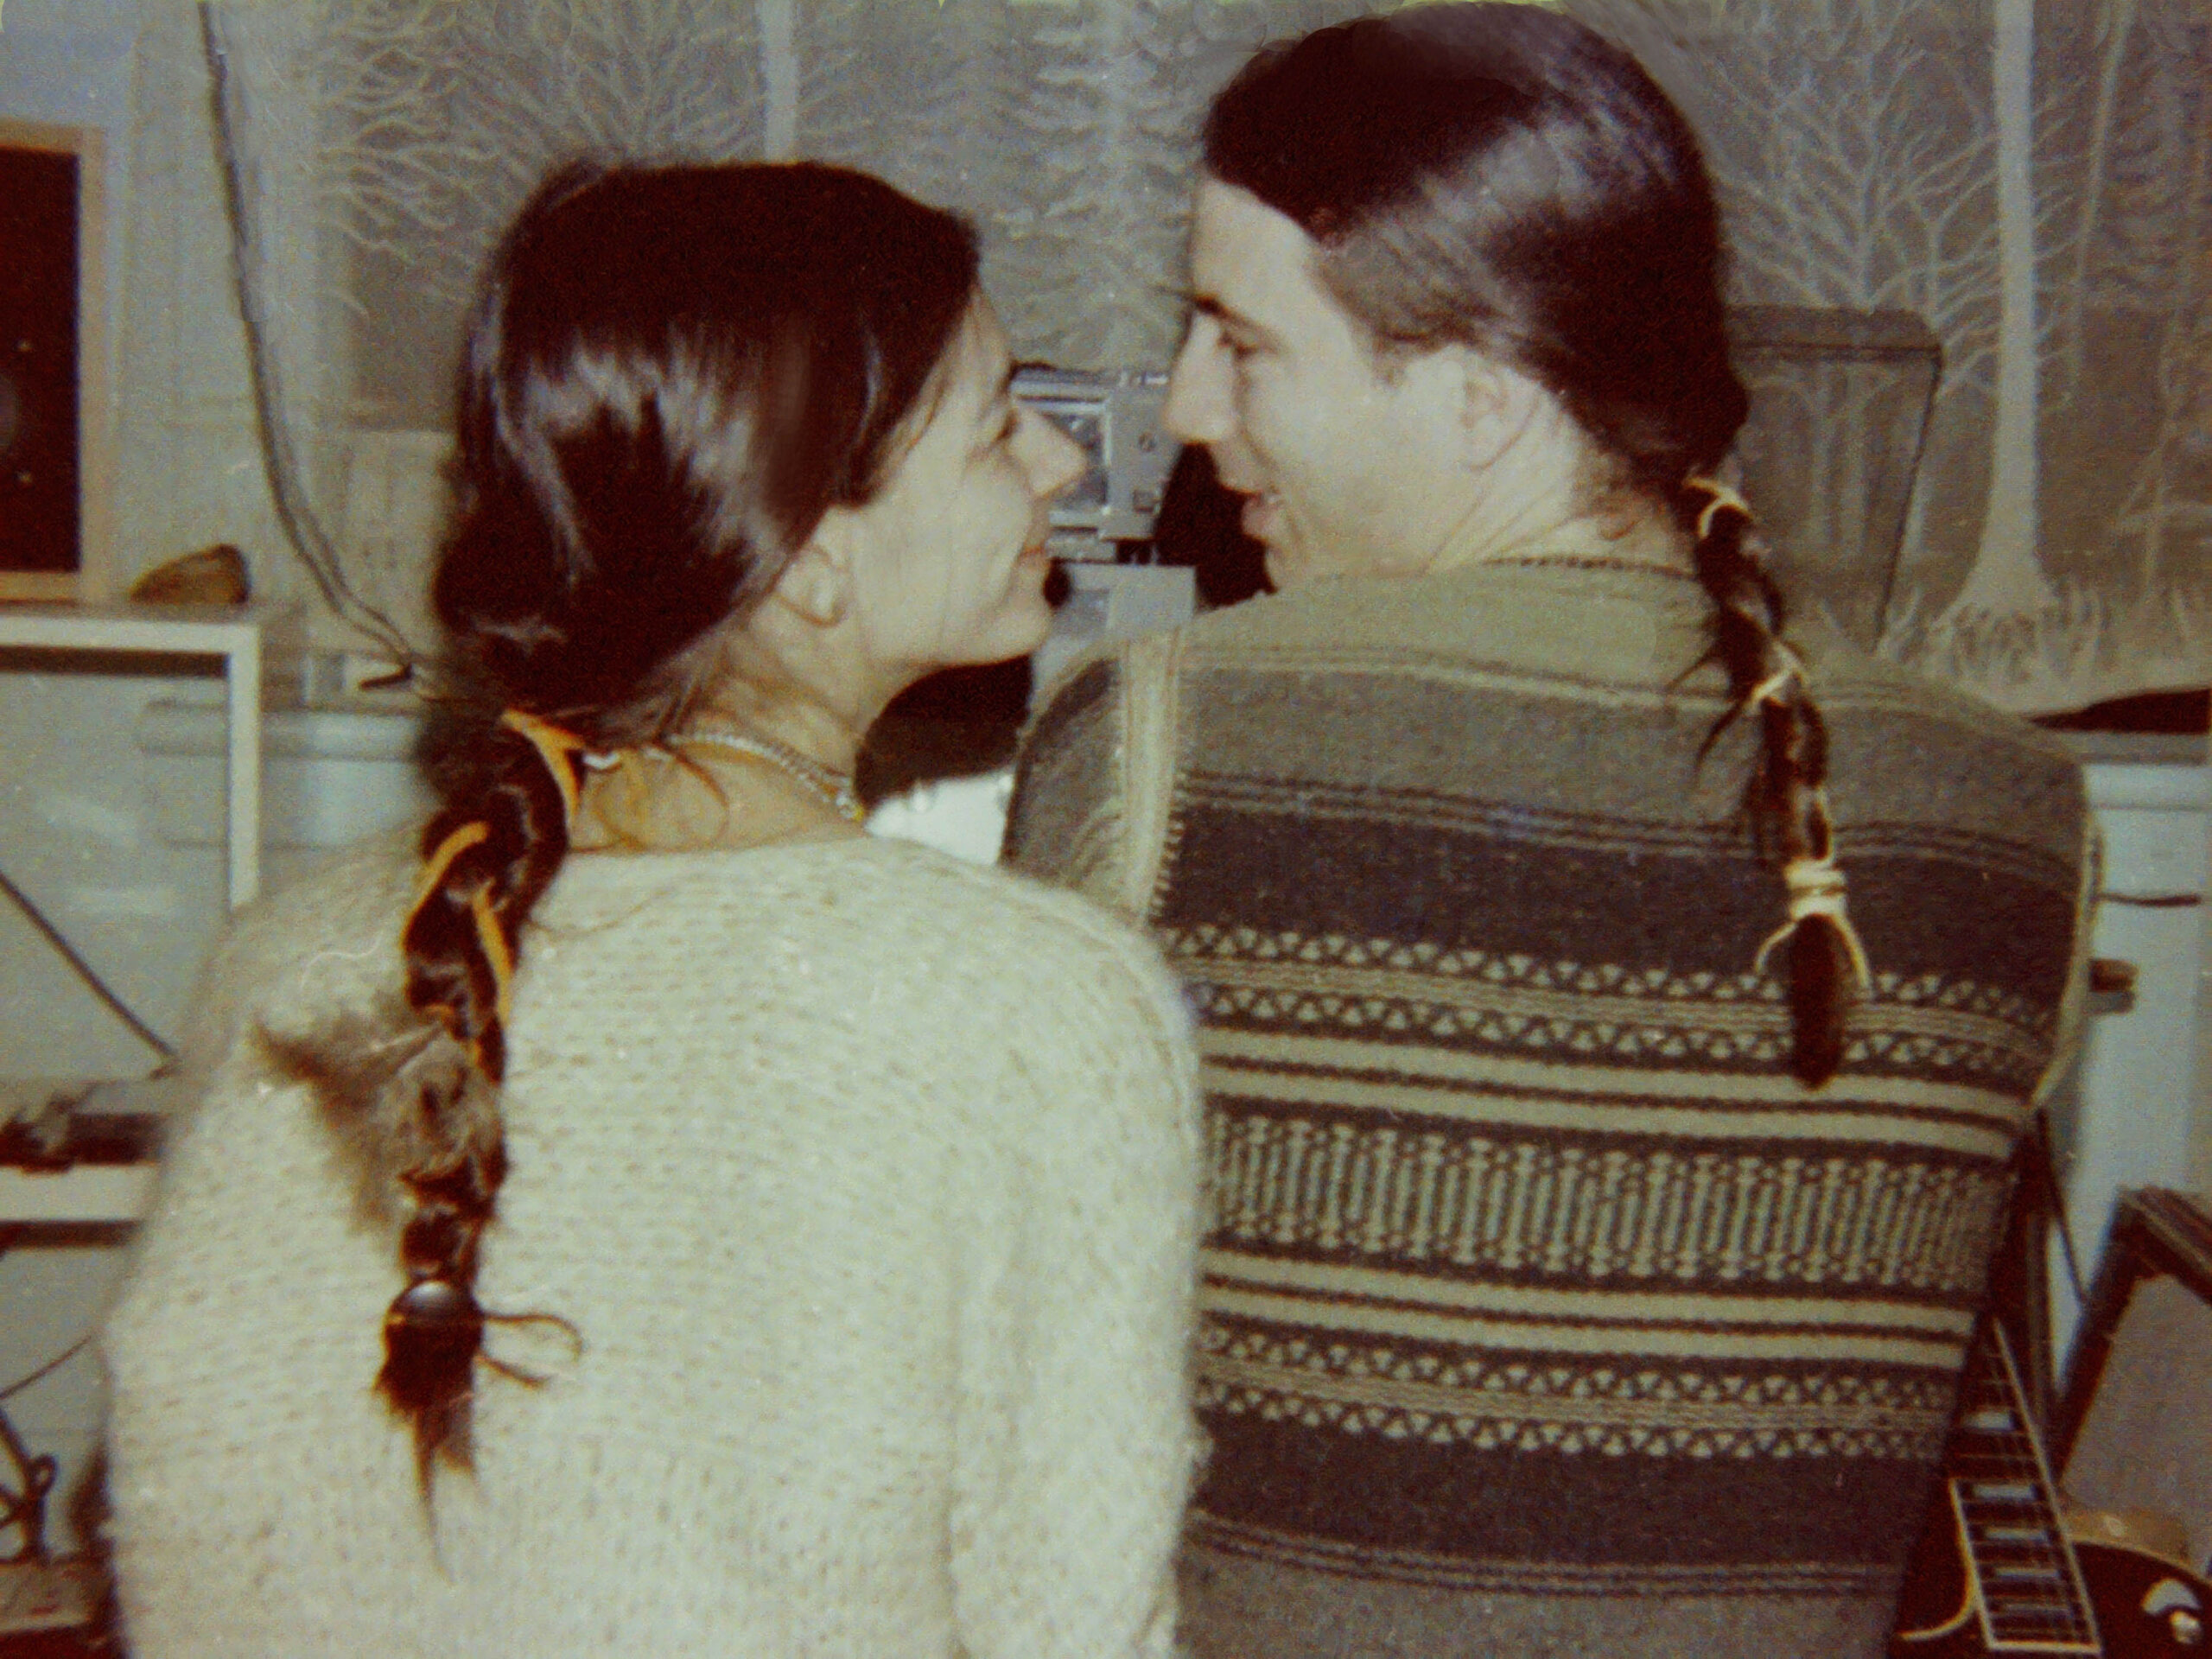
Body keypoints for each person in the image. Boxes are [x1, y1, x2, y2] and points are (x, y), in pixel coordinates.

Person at [1003, 9, 2094, 1656]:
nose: (1190, 408)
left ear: (1480, 397)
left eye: (1242, 338)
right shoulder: (2022, 814)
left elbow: (1020, 1371)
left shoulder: (1157, 728)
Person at [101, 161, 1203, 1656]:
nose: (1062, 463)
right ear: (815, 560)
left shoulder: (287, 957)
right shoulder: (1041, 1012)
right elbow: (1080, 1628)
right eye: (1000, 420)